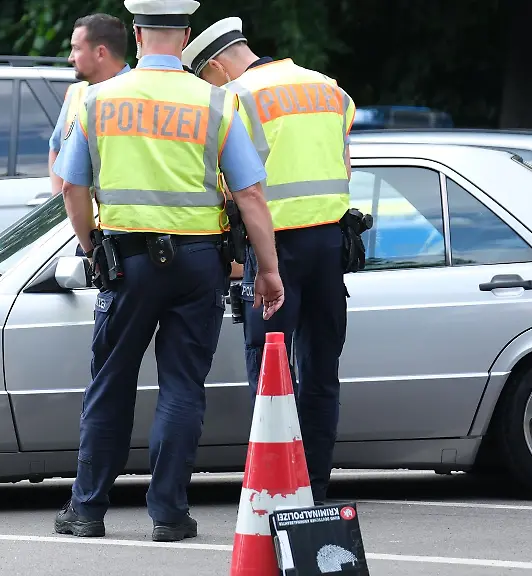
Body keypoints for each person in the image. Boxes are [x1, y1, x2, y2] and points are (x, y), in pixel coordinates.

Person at [51, 0, 284, 543]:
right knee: (183, 386)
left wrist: (92, 249)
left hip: (127, 262)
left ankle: (86, 511)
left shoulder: (98, 100)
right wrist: (267, 270)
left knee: (110, 383)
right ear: (184, 39)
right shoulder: (215, 101)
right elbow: (249, 193)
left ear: (136, 35)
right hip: (199, 264)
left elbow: (72, 187)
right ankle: (169, 514)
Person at [182, 16, 357, 505]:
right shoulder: (330, 90)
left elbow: (230, 184)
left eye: (205, 78)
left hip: (273, 252)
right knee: (322, 375)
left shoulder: (236, 97)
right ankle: (316, 490)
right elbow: (344, 166)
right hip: (329, 247)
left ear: (216, 64)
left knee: (271, 378)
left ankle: (280, 490)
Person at [49, 13, 132, 198]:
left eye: (76, 49)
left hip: (119, 221)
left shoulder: (139, 94)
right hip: (81, 219)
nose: (70, 57)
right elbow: (56, 149)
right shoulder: (75, 93)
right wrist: (60, 204)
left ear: (100, 52)